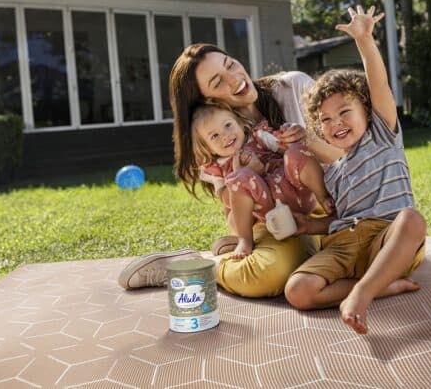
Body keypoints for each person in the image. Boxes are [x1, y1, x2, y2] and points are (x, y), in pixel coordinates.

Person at [118, 43, 341, 296]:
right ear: (207, 101)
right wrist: (246, 176)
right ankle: (190, 268)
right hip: (277, 220)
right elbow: (236, 216)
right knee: (267, 275)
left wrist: (306, 140)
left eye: (230, 65)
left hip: (333, 204)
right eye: (218, 82)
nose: (235, 79)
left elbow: (351, 154)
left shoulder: (294, 88)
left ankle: (265, 249)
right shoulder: (220, 142)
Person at [283, 6, 427, 335]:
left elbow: (378, 84)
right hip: (343, 243)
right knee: (297, 291)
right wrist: (306, 224)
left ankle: (361, 294)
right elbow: (307, 142)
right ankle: (379, 286)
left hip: (387, 239)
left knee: (412, 219)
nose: (336, 124)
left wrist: (364, 41)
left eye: (344, 112)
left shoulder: (383, 136)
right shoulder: (333, 167)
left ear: (366, 109)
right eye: (326, 120)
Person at [191, 102, 331, 259]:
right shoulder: (219, 167)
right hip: (267, 208)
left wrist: (286, 138)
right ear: (208, 148)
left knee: (296, 151)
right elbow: (226, 199)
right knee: (240, 178)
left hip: (295, 189)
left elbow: (288, 151)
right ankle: (245, 239)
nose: (225, 135)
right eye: (214, 136)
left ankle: (324, 197)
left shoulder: (260, 137)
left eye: (228, 125)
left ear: (241, 123)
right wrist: (239, 173)